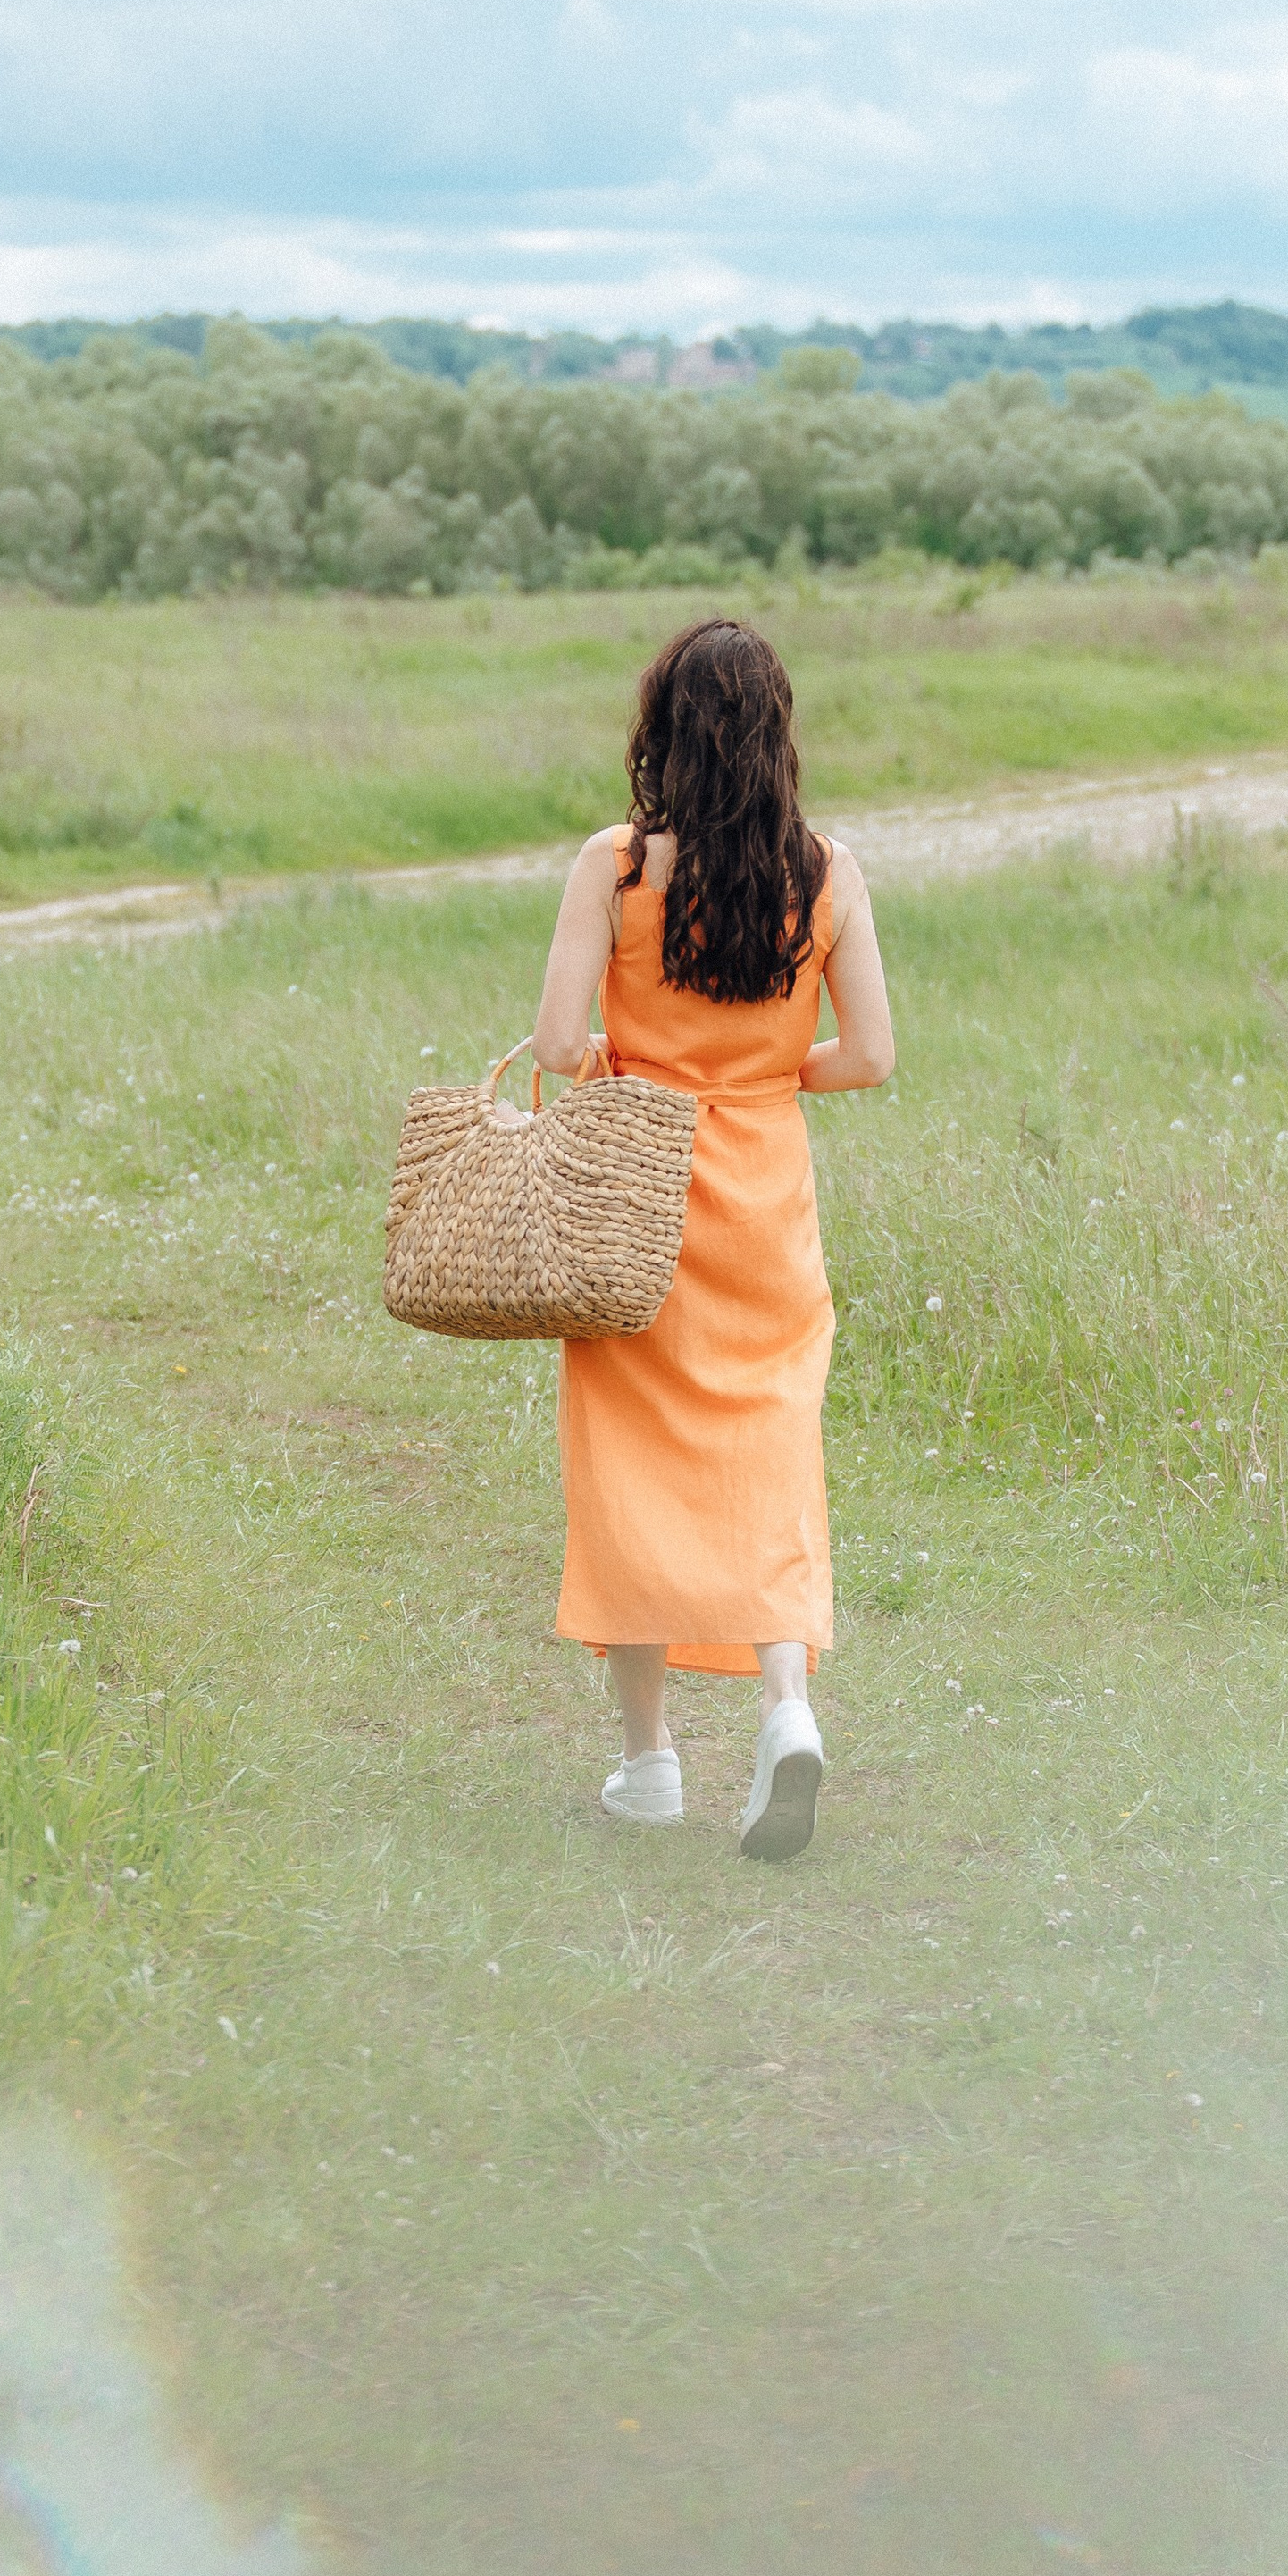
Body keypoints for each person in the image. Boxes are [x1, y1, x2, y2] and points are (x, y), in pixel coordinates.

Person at [531, 617, 895, 1861]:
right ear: (778, 735)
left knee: (630, 1464)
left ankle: (650, 1766)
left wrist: (638, 1062)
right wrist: (773, 1074)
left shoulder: (616, 867)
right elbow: (875, 1059)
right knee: (771, 1450)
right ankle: (786, 1705)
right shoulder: (829, 873)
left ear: (664, 732)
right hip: (765, 1206)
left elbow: (555, 1044)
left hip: (640, 1193)